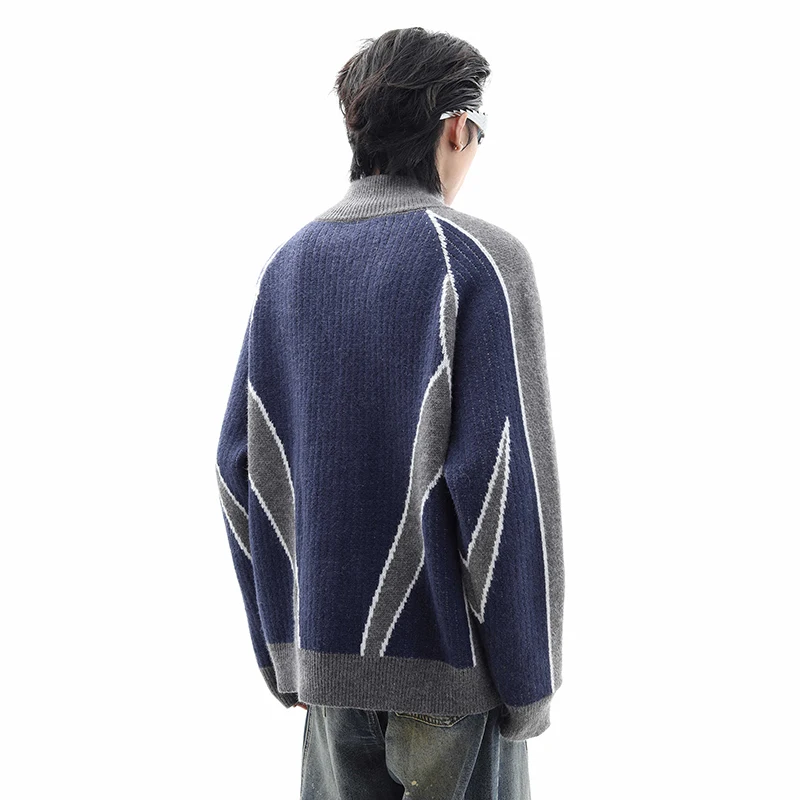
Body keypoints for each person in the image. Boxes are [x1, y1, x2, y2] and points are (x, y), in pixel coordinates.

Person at [215, 26, 565, 799]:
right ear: (455, 127)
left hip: (328, 677)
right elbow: (504, 485)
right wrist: (529, 682)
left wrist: (286, 651)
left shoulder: (289, 265)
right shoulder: (477, 260)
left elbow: (239, 467)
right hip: (454, 683)